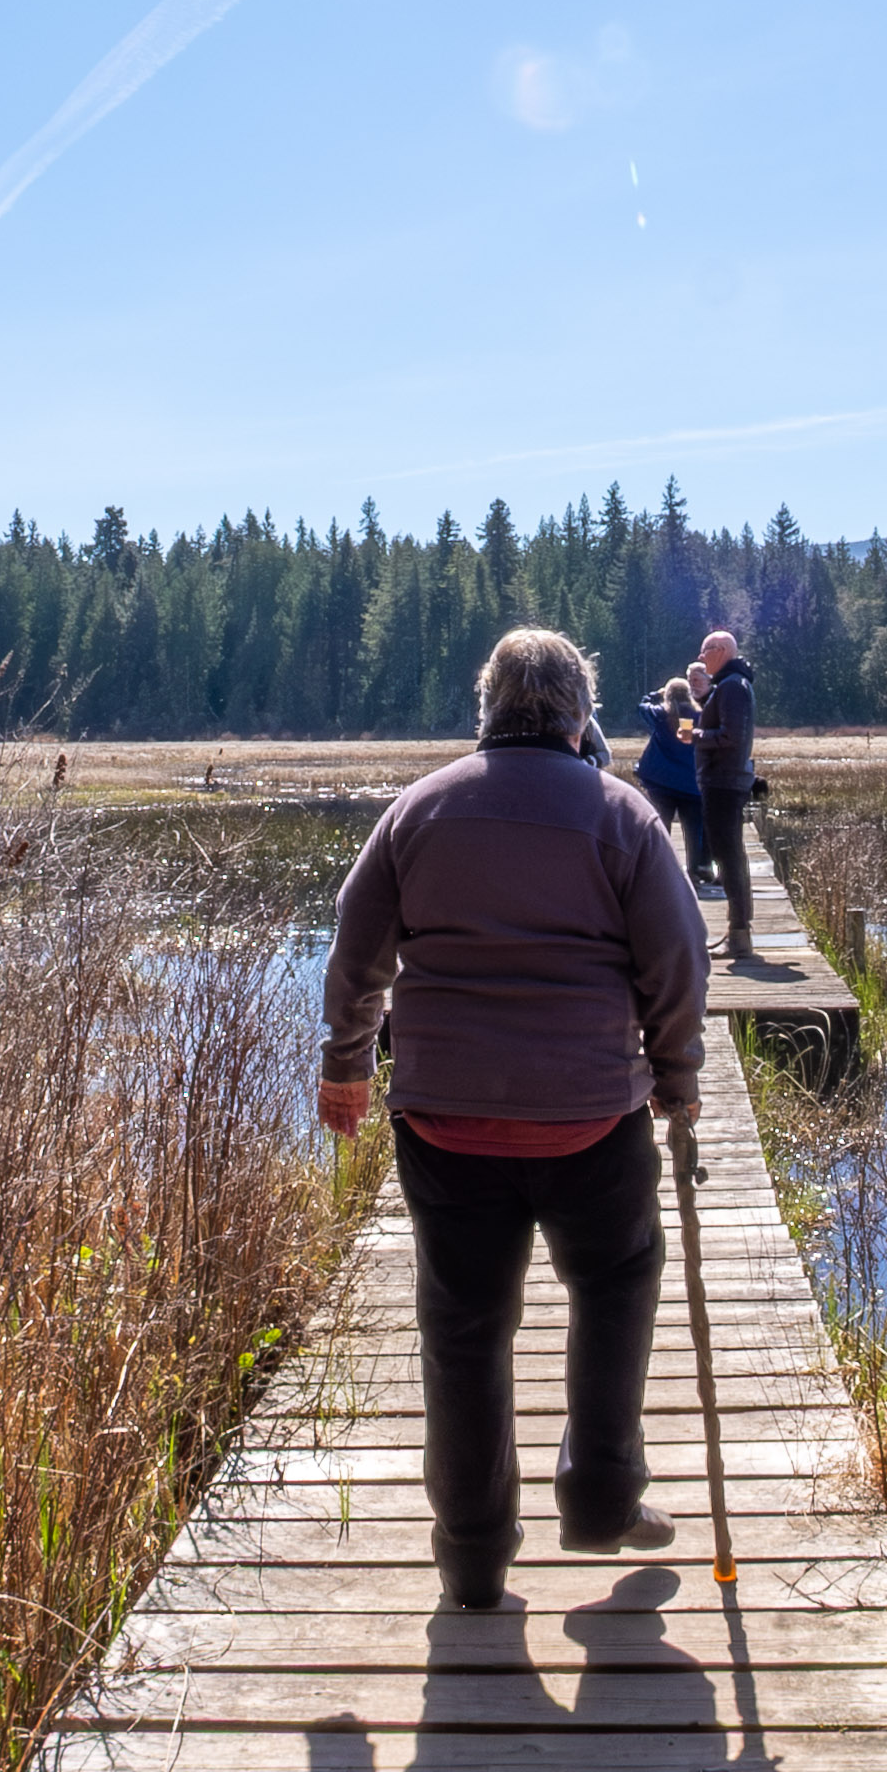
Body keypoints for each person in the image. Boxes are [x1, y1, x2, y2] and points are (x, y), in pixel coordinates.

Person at [319, 627, 707, 1612]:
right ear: (580, 716)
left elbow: (356, 951)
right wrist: (676, 1079)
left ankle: (473, 1554)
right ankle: (600, 1496)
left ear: (485, 709)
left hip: (444, 1124)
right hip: (588, 1120)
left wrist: (345, 1066)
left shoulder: (418, 810)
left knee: (462, 1329)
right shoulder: (621, 817)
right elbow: (675, 966)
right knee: (616, 1279)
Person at [689, 625, 757, 959]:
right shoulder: (730, 685)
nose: (701, 659)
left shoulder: (732, 687)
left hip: (724, 782)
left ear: (721, 652)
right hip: (724, 782)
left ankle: (739, 935)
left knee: (729, 858)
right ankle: (738, 931)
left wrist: (696, 736)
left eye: (705, 652)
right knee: (729, 856)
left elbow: (731, 736)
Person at [634, 668, 714, 887]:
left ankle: (661, 869)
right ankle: (695, 870)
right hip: (691, 784)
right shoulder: (700, 716)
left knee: (661, 826)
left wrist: (654, 695)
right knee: (694, 830)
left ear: (667, 695)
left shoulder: (660, 714)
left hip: (661, 783)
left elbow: (641, 707)